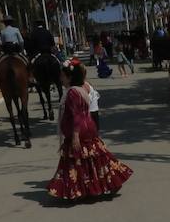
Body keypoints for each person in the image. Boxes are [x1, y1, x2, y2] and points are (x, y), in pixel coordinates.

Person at [47, 61, 131, 203]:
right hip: (88, 127)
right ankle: (107, 182)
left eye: (62, 76)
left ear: (69, 77)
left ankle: (78, 189)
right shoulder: (83, 87)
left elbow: (76, 115)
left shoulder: (73, 92)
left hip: (79, 130)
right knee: (96, 157)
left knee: (76, 160)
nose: (60, 79)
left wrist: (74, 136)